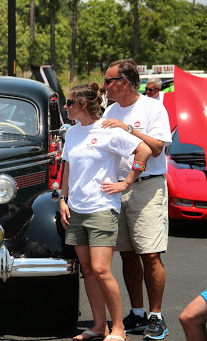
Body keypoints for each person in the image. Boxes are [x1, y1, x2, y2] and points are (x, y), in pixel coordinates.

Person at [60, 82, 151, 341]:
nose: (65, 107)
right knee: (87, 270)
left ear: (84, 105)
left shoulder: (108, 130)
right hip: (76, 209)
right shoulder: (72, 133)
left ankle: (119, 328)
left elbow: (143, 151)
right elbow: (67, 166)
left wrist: (127, 182)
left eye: (69, 103)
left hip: (102, 208)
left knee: (101, 270)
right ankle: (99, 327)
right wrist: (63, 199)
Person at [102, 59, 172, 340]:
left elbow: (156, 148)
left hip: (146, 187)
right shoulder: (109, 109)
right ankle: (138, 314)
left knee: (150, 254)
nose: (104, 85)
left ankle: (157, 316)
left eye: (108, 81)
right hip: (119, 190)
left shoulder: (153, 107)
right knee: (128, 254)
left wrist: (127, 128)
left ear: (124, 83)